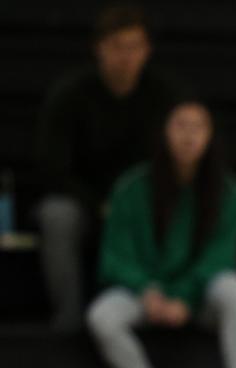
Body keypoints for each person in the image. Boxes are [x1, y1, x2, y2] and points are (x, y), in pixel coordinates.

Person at [85, 99, 236, 368]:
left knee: (234, 288)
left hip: (198, 297)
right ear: (164, 132)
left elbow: (222, 255)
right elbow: (115, 255)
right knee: (102, 317)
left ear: (210, 135)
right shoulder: (131, 188)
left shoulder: (229, 191)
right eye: (180, 126)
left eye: (197, 127)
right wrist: (147, 292)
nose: (188, 136)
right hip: (144, 295)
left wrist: (185, 296)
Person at [35, 3, 182, 330]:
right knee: (57, 216)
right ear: (99, 48)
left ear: (146, 50)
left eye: (134, 47)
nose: (126, 57)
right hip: (86, 201)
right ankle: (69, 317)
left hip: (146, 202)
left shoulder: (164, 96)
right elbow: (52, 166)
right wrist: (101, 204)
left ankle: (170, 306)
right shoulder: (70, 96)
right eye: (117, 47)